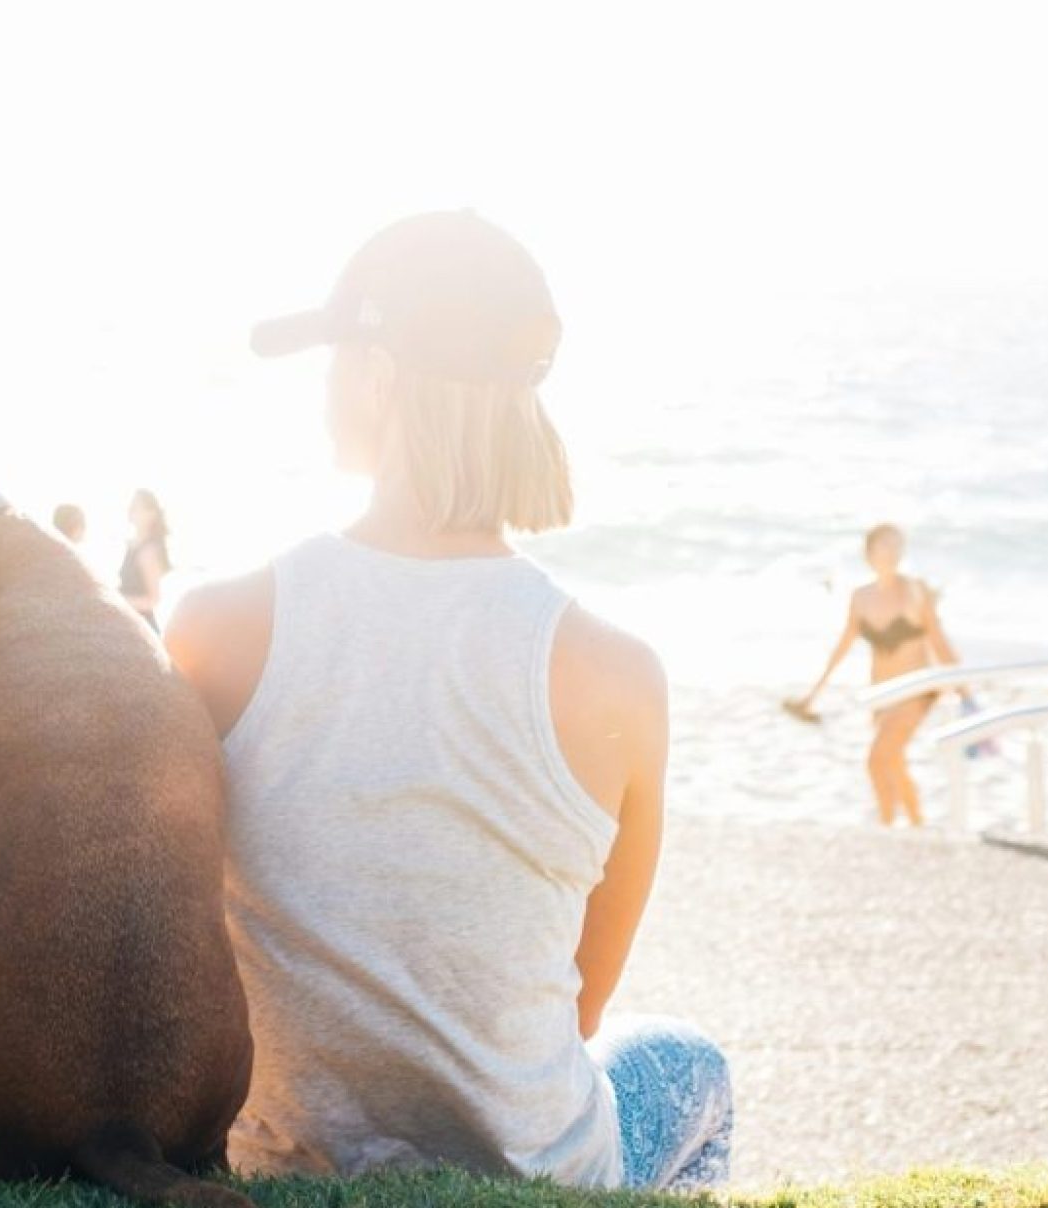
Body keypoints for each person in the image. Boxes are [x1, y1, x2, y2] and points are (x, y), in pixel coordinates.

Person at [165, 212, 729, 1192]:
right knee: (694, 1065)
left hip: (280, 1161)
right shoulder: (619, 674)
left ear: (380, 374)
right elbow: (580, 1007)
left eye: (336, 355)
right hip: (534, 1172)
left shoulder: (218, 626)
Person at [785, 524, 960, 827]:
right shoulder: (860, 597)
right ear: (869, 552)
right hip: (881, 693)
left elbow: (939, 641)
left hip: (917, 690)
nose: (893, 552)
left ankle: (888, 825)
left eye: (898, 545)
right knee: (892, 761)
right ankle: (915, 824)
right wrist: (814, 694)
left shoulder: (916, 590)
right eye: (886, 545)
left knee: (876, 759)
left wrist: (965, 693)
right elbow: (842, 647)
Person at [119, 488, 171, 628]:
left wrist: (120, 600)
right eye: (131, 505)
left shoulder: (149, 551)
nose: (131, 510)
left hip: (141, 626)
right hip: (128, 622)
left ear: (151, 514)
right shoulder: (131, 545)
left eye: (137, 507)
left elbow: (153, 600)